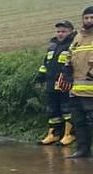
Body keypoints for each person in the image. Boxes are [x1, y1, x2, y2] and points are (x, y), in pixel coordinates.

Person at [35, 20, 77, 146]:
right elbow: (45, 63)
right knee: (52, 110)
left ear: (71, 32)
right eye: (58, 31)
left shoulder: (73, 44)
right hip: (51, 82)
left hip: (65, 82)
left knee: (67, 109)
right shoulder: (53, 45)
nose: (60, 34)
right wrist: (41, 74)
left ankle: (69, 134)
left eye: (63, 31)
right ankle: (54, 134)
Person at [67, 7, 93, 158]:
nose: (89, 20)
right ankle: (83, 150)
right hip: (76, 89)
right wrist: (66, 68)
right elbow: (70, 55)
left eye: (92, 17)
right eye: (86, 18)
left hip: (91, 90)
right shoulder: (78, 38)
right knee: (79, 122)